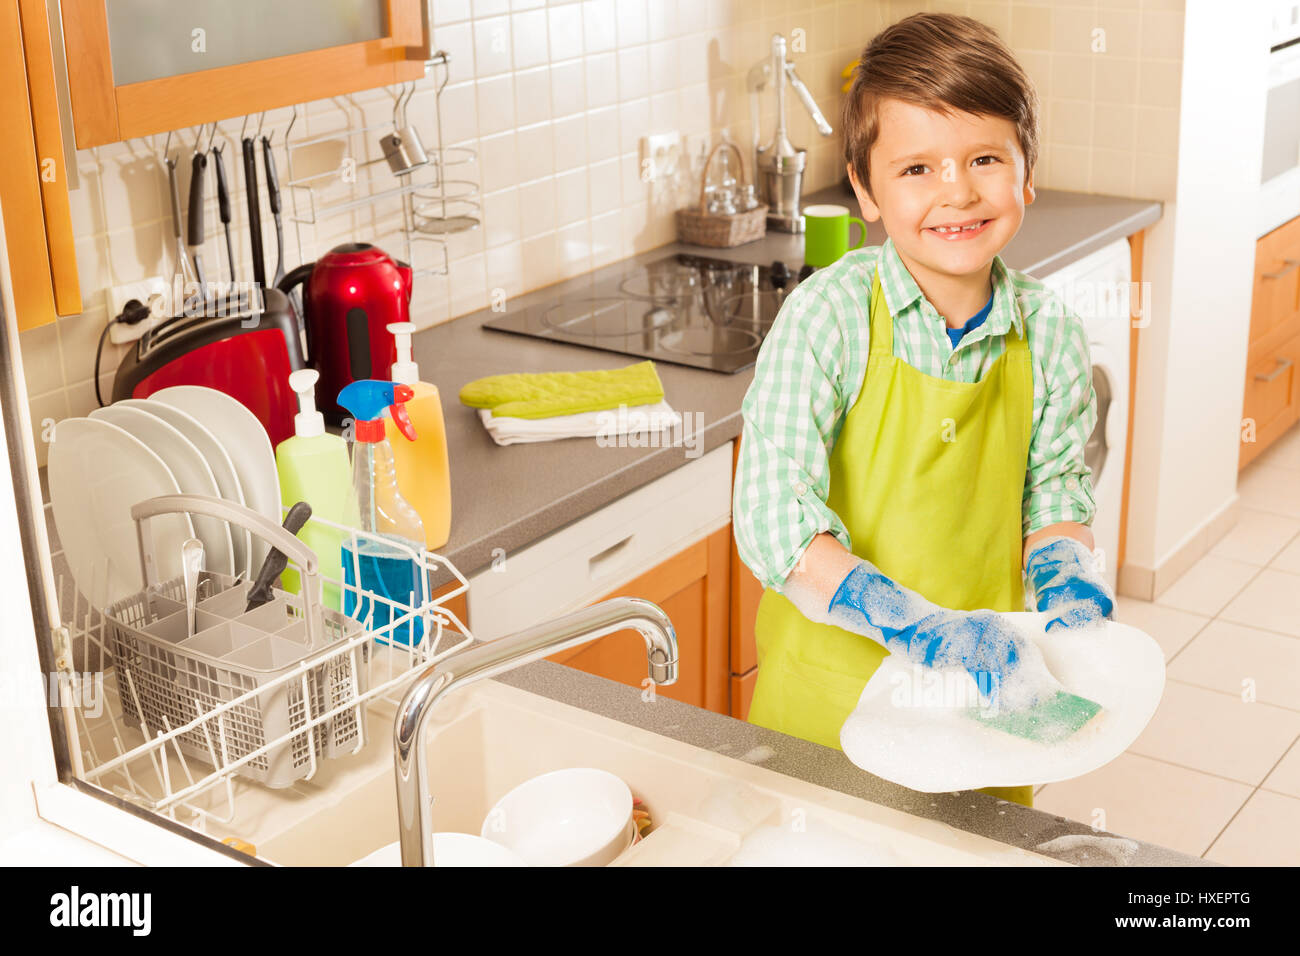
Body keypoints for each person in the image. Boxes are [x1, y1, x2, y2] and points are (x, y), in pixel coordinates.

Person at [732, 12, 1116, 809]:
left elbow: (1053, 494)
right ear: (866, 191)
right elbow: (773, 517)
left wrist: (1064, 569)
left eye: (985, 158)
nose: (958, 192)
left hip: (985, 700)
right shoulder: (825, 318)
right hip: (831, 702)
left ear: (1025, 174)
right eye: (917, 169)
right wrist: (907, 622)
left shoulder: (1048, 330)